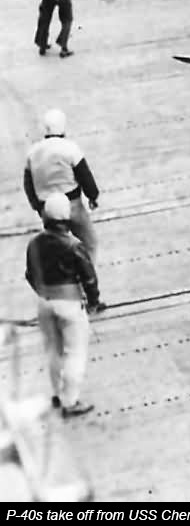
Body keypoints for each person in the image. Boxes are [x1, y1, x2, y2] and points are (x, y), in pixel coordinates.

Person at [25, 192, 104, 417]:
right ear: (66, 217)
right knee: (75, 353)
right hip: (69, 304)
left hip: (44, 302)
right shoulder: (74, 245)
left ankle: (57, 394)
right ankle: (70, 402)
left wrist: (43, 292)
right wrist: (93, 300)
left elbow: (29, 274)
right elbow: (89, 277)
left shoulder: (34, 243)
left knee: (53, 350)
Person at [24, 109, 101, 260]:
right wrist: (93, 196)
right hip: (72, 204)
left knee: (57, 245)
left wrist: (37, 206)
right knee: (89, 243)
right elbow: (84, 175)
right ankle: (86, 270)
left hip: (46, 207)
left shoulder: (32, 152)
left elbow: (28, 184)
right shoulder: (70, 148)